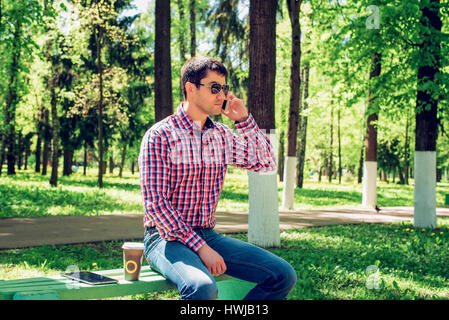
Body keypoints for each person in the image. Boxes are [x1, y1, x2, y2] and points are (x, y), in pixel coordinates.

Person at [138, 56, 297, 300]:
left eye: (224, 88)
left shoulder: (222, 135)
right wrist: (202, 249)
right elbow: (157, 206)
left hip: (207, 235)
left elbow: (266, 163)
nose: (222, 95)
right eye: (214, 88)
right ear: (190, 89)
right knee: (202, 288)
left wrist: (244, 121)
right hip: (164, 239)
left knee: (283, 275)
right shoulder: (160, 135)